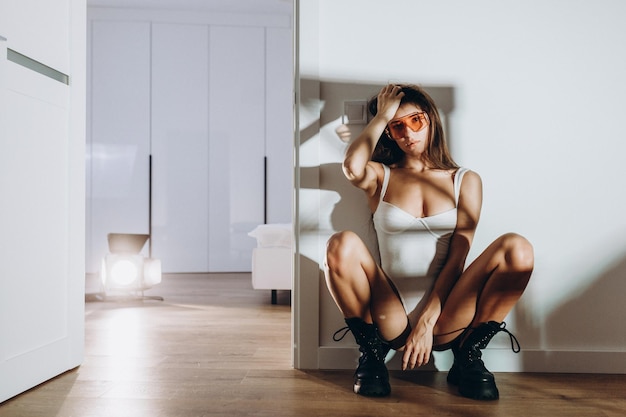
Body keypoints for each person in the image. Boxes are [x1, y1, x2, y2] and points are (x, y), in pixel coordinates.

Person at [324, 84, 534, 401]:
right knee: (341, 243)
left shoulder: (464, 179)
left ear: (432, 120)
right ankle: (371, 355)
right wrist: (382, 114)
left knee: (517, 247)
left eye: (416, 121)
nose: (408, 133)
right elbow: (352, 167)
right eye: (397, 125)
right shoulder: (380, 176)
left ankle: (468, 356)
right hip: (390, 314)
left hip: (448, 314)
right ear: (388, 132)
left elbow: (458, 257)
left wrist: (428, 320)